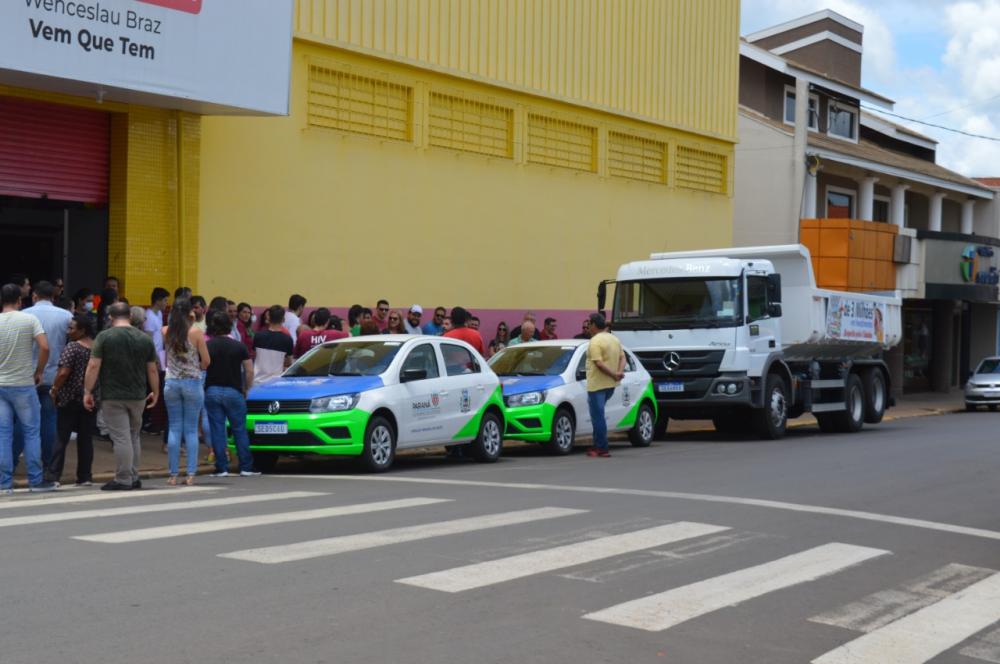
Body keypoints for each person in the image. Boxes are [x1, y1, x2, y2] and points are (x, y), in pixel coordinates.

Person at [84, 302, 158, 490]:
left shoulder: (104, 337)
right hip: (138, 395)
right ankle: (133, 475)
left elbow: (93, 366)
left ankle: (123, 478)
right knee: (134, 436)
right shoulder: (144, 338)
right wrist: (156, 392)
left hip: (113, 395)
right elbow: (152, 369)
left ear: (110, 317)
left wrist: (87, 391)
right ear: (130, 316)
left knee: (121, 438)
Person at [0, 283, 55, 493]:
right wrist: (39, 371)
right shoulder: (29, 319)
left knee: (3, 434)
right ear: (19, 300)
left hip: (1, 384)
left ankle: (4, 483)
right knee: (31, 432)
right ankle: (35, 480)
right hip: (23, 383)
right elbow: (45, 346)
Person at [19, 280, 72, 472]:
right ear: (54, 296)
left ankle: (12, 462)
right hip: (54, 376)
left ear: (34, 296)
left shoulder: (24, 315)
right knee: (50, 420)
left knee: (23, 421)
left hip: (26, 375)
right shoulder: (66, 316)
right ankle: (49, 463)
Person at [203, 311, 259, 478]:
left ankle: (222, 468)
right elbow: (249, 371)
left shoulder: (208, 346)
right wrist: (247, 389)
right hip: (234, 390)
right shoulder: (239, 346)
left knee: (217, 429)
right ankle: (246, 467)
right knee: (239, 429)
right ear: (230, 326)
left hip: (212, 390)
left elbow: (201, 366)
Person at [162, 298, 210, 486]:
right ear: (190, 313)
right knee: (190, 430)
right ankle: (190, 474)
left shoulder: (165, 331)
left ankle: (173, 474)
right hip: (192, 382)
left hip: (172, 382)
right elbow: (206, 361)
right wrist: (195, 367)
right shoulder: (196, 332)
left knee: (174, 428)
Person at [47, 314, 96, 486]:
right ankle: (85, 476)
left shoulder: (72, 347)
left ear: (82, 330)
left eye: (71, 328)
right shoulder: (96, 348)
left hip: (69, 398)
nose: (68, 332)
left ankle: (54, 476)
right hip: (90, 398)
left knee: (61, 437)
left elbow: (63, 372)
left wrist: (54, 389)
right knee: (86, 439)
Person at [584, 313, 625, 459]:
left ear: (594, 325)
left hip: (597, 384)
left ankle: (602, 447)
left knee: (597, 417)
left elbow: (599, 363)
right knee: (598, 415)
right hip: (610, 385)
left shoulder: (595, 341)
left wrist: (614, 374)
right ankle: (598, 445)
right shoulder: (614, 339)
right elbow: (623, 357)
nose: (588, 327)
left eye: (589, 324)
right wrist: (619, 372)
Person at [254, 305, 294, 383]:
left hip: (258, 381)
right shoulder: (287, 339)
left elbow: (256, 355)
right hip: (276, 382)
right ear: (283, 319)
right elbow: (289, 362)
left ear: (269, 318)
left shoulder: (258, 336)